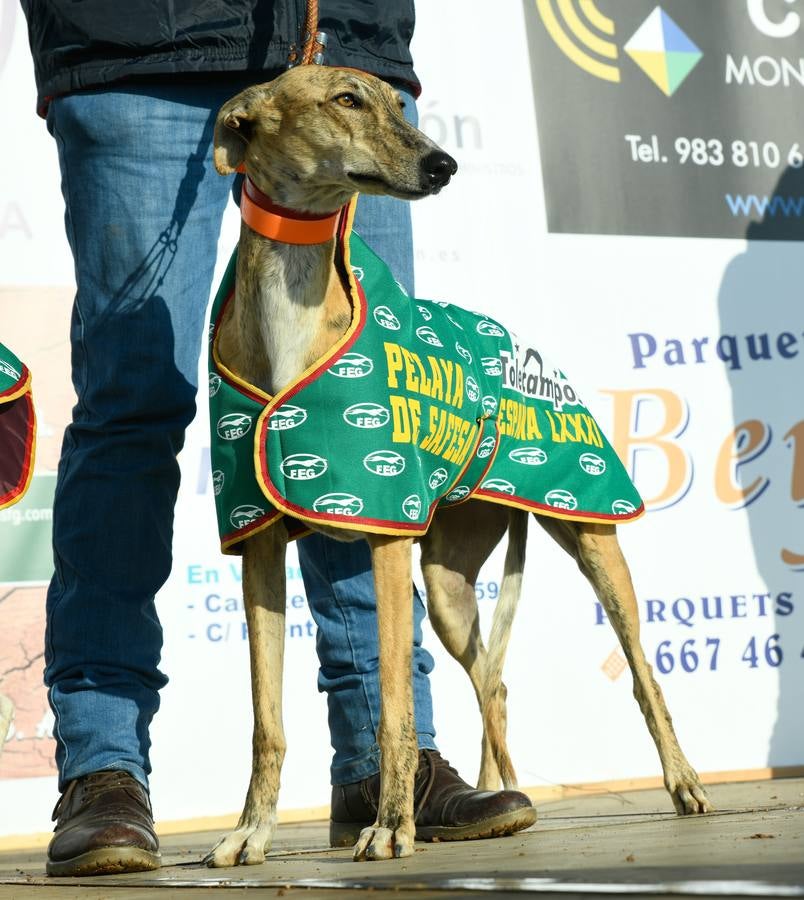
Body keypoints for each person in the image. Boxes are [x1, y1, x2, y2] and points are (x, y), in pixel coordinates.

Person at [20, 0, 536, 877]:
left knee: (363, 411)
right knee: (132, 404)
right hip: (139, 43)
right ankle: (103, 769)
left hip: (342, 46)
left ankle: (388, 764)